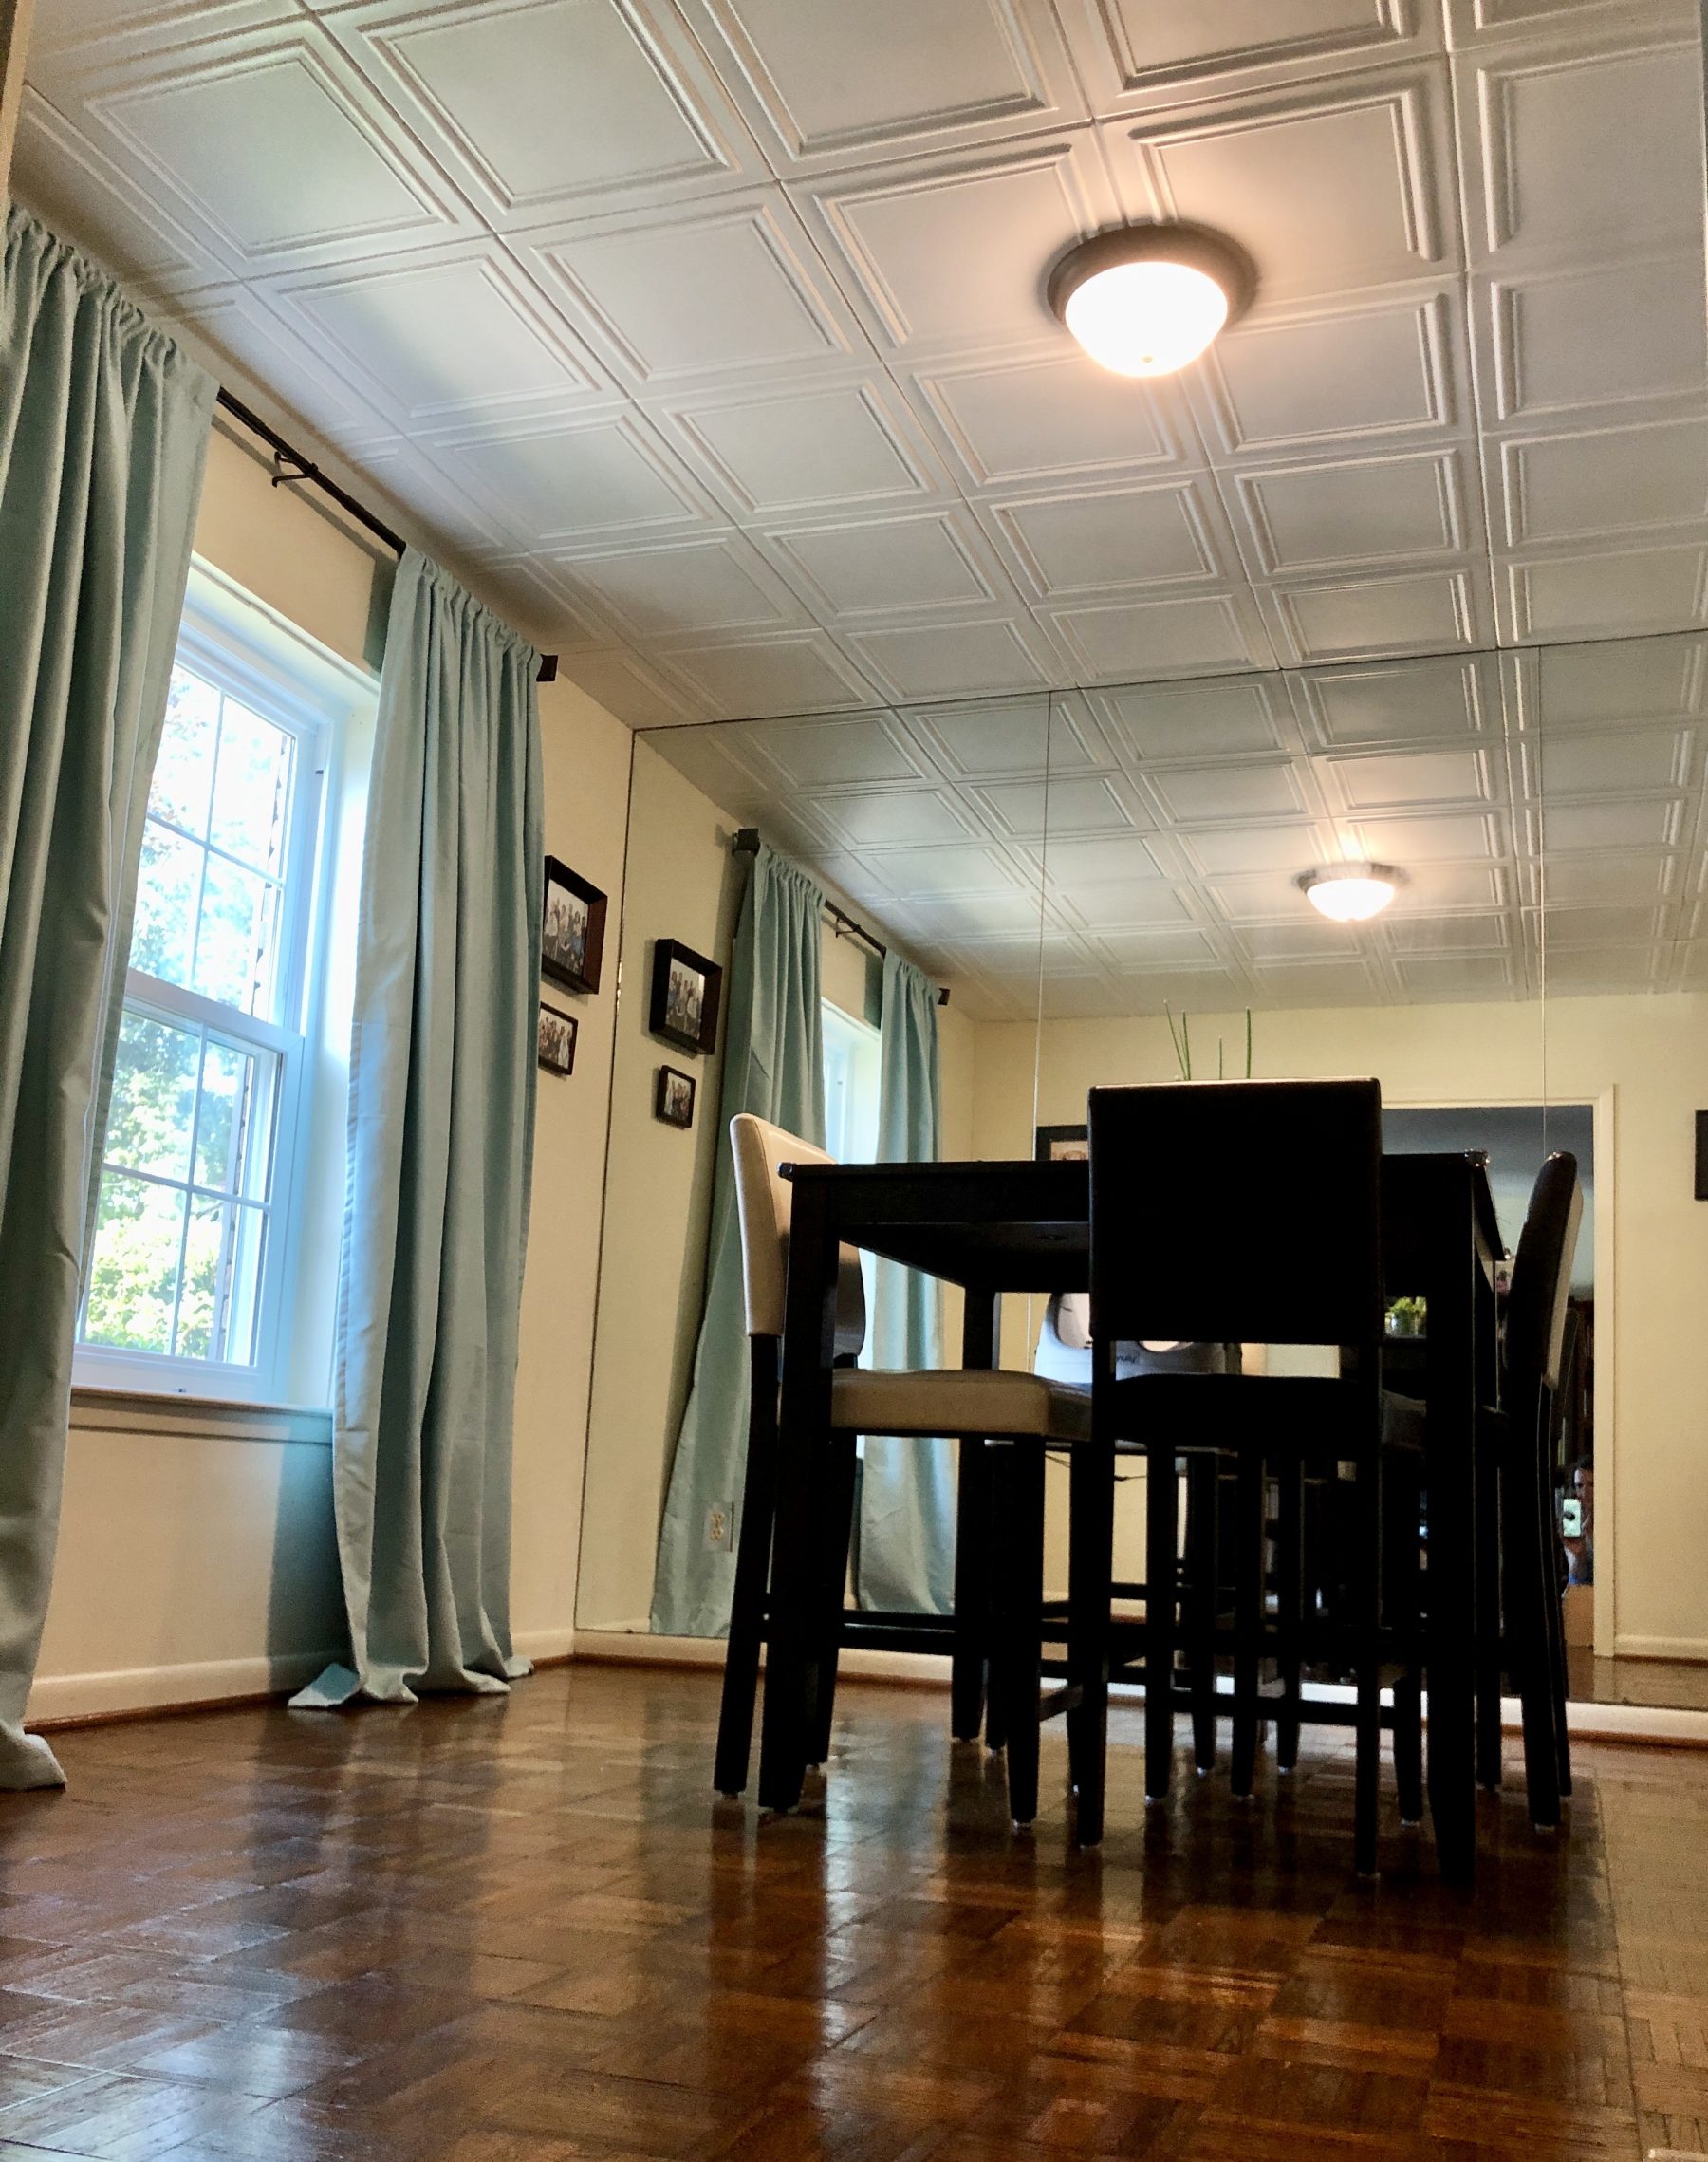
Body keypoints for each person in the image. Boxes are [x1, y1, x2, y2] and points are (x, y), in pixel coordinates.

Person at [1563, 1456, 1593, 1587]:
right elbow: (1576, 1575)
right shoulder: (1572, 1517)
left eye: (1592, 1484)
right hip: (1580, 1592)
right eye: (1579, 1486)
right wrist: (1578, 1554)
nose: (1585, 1492)